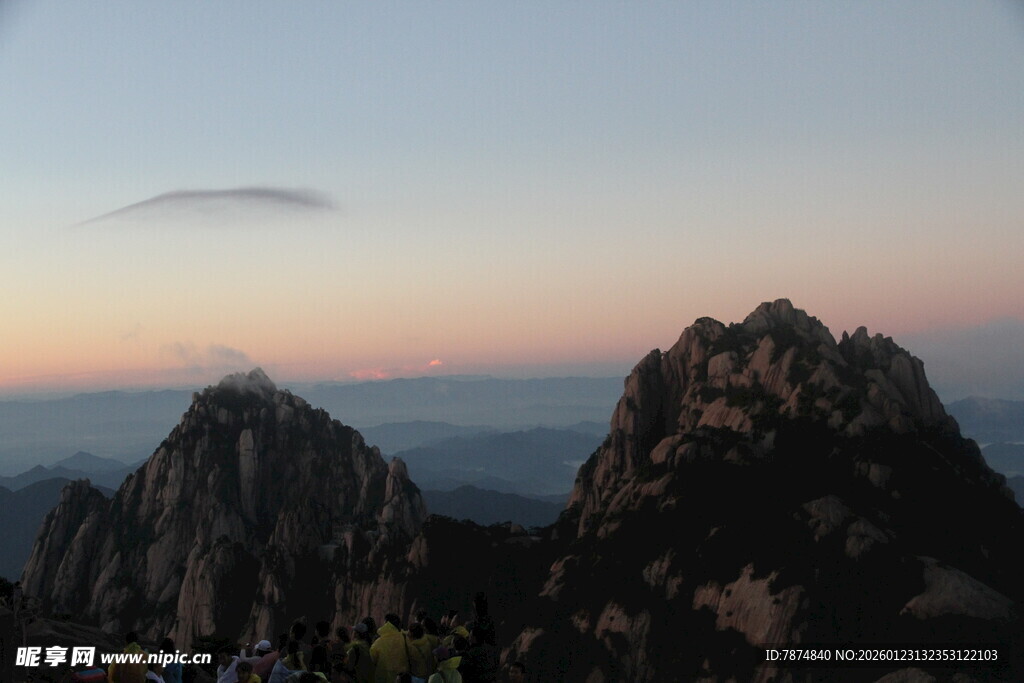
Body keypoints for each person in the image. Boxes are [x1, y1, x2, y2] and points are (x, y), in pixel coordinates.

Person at [369, 614, 412, 683]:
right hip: (403, 680)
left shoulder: (378, 642)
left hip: (383, 679)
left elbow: (371, 661)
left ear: (386, 623)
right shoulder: (406, 638)